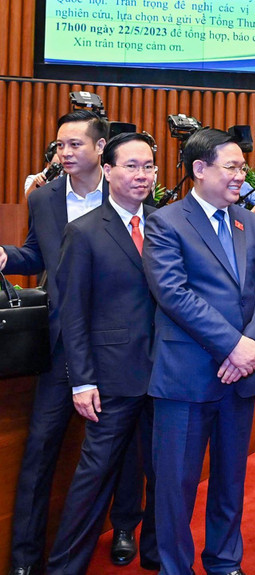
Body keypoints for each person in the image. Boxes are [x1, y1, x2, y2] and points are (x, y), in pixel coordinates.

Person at [0, 110, 145, 575]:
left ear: (101, 149)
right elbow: (37, 255)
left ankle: (123, 529)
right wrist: (6, 257)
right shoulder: (43, 199)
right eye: (59, 145)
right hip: (63, 343)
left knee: (126, 444)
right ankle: (25, 559)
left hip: (122, 346)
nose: (63, 153)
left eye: (74, 144)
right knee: (40, 450)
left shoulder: (126, 189)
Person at [142, 128, 255, 575]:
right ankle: (174, 568)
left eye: (244, 167)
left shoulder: (252, 222)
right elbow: (173, 293)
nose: (242, 175)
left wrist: (251, 345)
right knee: (175, 487)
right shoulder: (166, 222)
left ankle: (224, 561)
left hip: (240, 376)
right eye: (233, 167)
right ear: (199, 170)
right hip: (186, 376)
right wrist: (232, 344)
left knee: (230, 480)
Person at [47, 132, 160, 575]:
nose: (142, 175)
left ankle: (155, 554)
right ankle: (64, 567)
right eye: (131, 166)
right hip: (109, 380)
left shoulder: (167, 224)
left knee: (164, 475)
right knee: (92, 480)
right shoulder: (84, 231)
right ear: (108, 171)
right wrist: (82, 379)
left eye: (149, 166)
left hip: (165, 375)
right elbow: (72, 312)